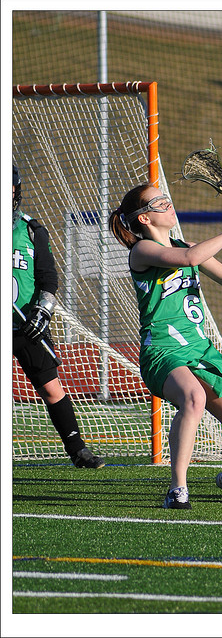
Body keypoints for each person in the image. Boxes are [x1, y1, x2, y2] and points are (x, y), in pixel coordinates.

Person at [108, 183, 222, 509]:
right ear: (143, 219)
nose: (169, 204)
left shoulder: (189, 245)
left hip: (201, 350)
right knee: (193, 399)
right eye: (159, 202)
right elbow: (190, 258)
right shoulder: (142, 252)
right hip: (163, 352)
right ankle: (177, 489)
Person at [12, 165, 105, 469]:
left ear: (16, 189)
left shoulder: (30, 230)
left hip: (25, 323)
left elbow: (48, 279)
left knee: (51, 388)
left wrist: (43, 311)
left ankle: (77, 448)